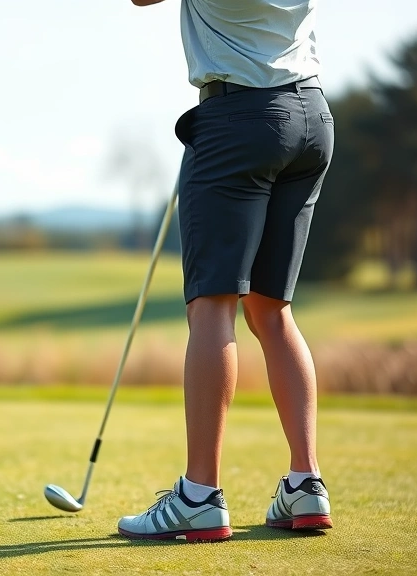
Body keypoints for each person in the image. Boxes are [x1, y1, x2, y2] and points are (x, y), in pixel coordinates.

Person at [118, 0, 334, 542]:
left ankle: (199, 496)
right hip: (310, 117)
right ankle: (306, 485)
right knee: (271, 308)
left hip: (237, 119)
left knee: (213, 306)